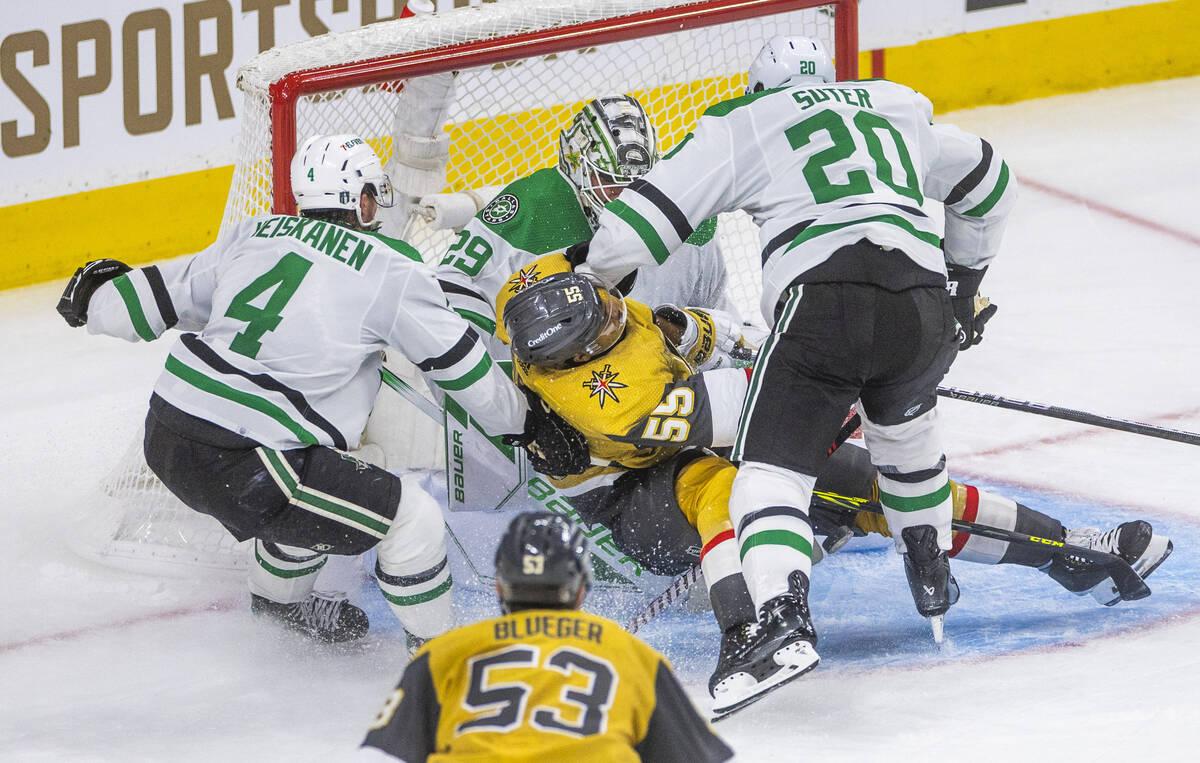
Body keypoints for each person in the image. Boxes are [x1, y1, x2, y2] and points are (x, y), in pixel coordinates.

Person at [573, 32, 1144, 696]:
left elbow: (635, 230)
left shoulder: (745, 124)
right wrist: (960, 291)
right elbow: (990, 180)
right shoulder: (893, 104)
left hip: (817, 312)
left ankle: (782, 619)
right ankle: (929, 556)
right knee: (904, 457)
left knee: (777, 479)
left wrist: (591, 282)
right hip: (919, 300)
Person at [496, 264, 1173, 714]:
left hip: (697, 437)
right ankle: (747, 634)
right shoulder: (609, 404)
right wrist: (843, 375)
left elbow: (719, 344)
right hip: (633, 502)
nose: (619, 318)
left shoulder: (559, 299)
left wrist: (697, 329)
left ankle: (1067, 551)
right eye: (605, 329)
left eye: (612, 309)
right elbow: (751, 407)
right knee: (726, 487)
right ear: (573, 357)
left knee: (883, 488)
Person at [54, 134, 584, 647]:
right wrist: (527, 424)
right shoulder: (390, 268)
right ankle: (438, 657)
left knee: (318, 486)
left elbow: (155, 298)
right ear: (363, 200)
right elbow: (460, 364)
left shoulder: (255, 233)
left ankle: (279, 607)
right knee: (411, 519)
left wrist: (101, 298)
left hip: (167, 433)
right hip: (248, 458)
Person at [359, 511, 733, 762]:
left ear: (500, 588)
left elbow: (383, 754)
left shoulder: (447, 652)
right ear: (581, 589)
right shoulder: (630, 655)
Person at [434, 94, 738, 344]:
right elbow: (447, 295)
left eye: (636, 183)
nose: (625, 197)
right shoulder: (527, 211)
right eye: (609, 182)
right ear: (577, 167)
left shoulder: (688, 218)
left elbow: (712, 310)